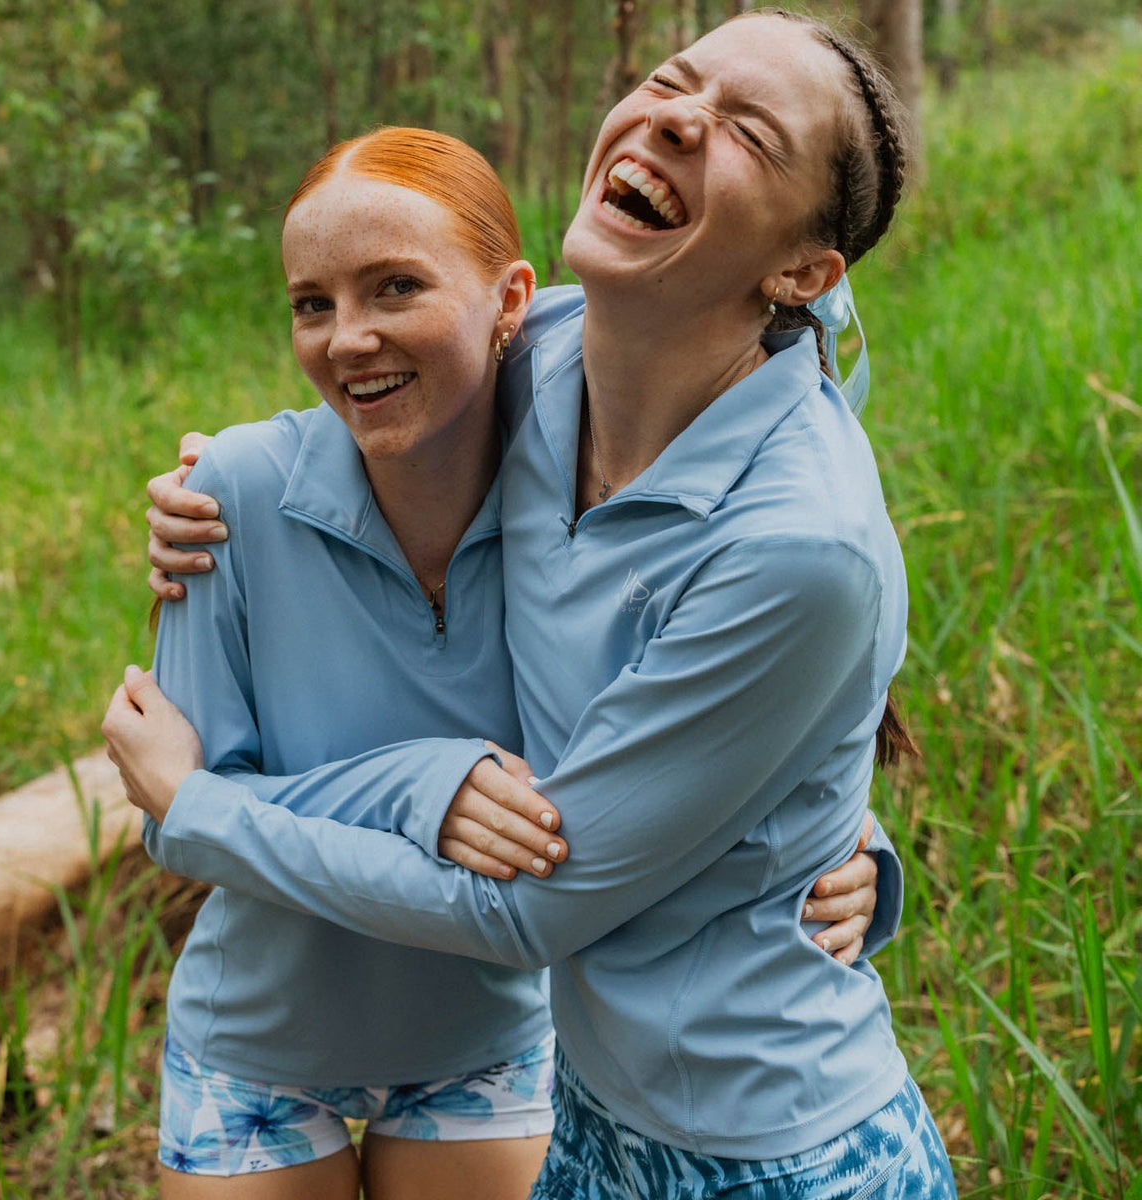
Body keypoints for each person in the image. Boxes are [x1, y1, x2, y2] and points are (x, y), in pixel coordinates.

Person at [104, 120, 889, 1199]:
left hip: (487, 1031)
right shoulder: (231, 491)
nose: (347, 340)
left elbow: (704, 703)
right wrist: (419, 784)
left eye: (395, 289)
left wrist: (851, 849)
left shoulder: (577, 493)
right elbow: (177, 805)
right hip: (258, 1041)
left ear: (512, 301)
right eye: (311, 304)